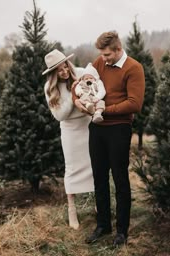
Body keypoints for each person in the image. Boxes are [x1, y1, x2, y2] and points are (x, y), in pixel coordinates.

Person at [73, 31, 145, 246]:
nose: (103, 60)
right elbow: (82, 84)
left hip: (119, 129)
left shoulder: (134, 68)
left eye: (107, 55)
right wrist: (78, 101)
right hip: (97, 129)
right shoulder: (99, 62)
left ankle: (122, 231)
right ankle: (103, 225)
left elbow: (135, 103)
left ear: (118, 49)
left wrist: (105, 110)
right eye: (102, 55)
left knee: (120, 180)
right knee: (99, 177)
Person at [42, 49, 94, 230]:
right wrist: (72, 97)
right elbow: (60, 116)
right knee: (72, 168)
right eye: (59, 70)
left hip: (88, 125)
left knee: (95, 164)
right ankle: (72, 208)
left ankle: (98, 205)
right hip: (70, 130)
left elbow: (94, 88)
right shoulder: (50, 89)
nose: (64, 72)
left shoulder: (79, 73)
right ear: (52, 74)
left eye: (65, 67)